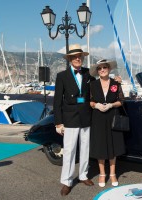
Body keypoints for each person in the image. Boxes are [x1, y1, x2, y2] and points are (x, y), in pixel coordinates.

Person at [53, 44, 95, 196]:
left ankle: (83, 175)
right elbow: (57, 101)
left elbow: (96, 91)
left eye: (80, 56)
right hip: (69, 118)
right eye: (74, 57)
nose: (78, 59)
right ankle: (67, 181)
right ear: (70, 59)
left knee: (85, 148)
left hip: (86, 116)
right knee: (69, 150)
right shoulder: (62, 76)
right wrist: (58, 122)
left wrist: (115, 82)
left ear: (82, 58)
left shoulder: (89, 74)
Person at [89, 59, 125, 187]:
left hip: (112, 116)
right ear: (97, 71)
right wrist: (96, 105)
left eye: (104, 67)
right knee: (100, 145)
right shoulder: (93, 84)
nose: (102, 70)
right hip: (98, 117)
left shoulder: (116, 83)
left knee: (113, 145)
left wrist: (111, 105)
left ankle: (113, 174)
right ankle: (102, 174)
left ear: (109, 69)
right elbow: (90, 101)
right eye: (99, 68)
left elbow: (121, 101)